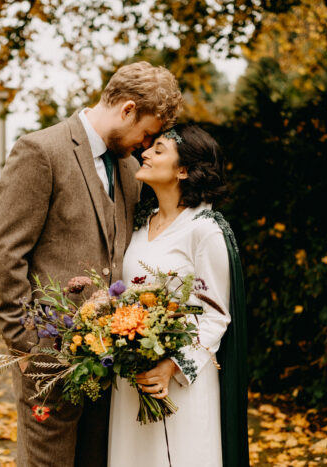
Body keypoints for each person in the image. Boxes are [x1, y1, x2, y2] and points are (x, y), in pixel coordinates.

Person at [0, 61, 183, 467]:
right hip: (48, 362)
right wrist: (27, 351)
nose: (145, 145)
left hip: (107, 367)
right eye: (146, 133)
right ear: (127, 109)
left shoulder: (130, 169)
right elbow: (5, 256)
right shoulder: (41, 151)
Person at [108, 124, 250, 466]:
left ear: (183, 170)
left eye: (159, 150)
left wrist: (172, 366)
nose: (145, 153)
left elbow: (216, 314)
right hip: (133, 378)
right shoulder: (141, 224)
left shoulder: (205, 230)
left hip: (181, 383)